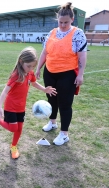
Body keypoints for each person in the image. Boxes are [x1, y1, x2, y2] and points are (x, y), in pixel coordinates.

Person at [0, 47, 57, 159]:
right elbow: (5, 91)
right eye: (28, 66)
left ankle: (13, 146)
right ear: (21, 61)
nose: (31, 69)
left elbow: (34, 83)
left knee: (20, 129)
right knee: (13, 128)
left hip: (21, 107)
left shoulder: (30, 73)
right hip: (11, 106)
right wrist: (0, 107)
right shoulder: (16, 75)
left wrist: (45, 89)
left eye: (33, 66)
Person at [35, 2, 87, 146]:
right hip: (50, 72)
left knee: (64, 104)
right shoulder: (51, 33)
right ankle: (52, 122)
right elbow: (45, 52)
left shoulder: (78, 33)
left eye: (66, 22)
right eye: (60, 22)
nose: (63, 25)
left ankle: (64, 134)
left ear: (72, 19)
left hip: (67, 74)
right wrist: (39, 68)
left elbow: (82, 56)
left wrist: (80, 74)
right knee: (51, 100)